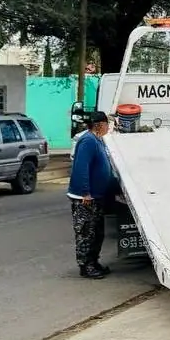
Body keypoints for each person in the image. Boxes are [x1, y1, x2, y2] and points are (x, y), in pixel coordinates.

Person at [68, 111, 115, 279]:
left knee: (97, 232)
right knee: (86, 232)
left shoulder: (98, 140)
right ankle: (85, 266)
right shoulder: (88, 141)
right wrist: (85, 192)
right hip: (86, 198)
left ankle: (94, 262)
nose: (108, 127)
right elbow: (81, 168)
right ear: (100, 125)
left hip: (97, 196)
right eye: (107, 124)